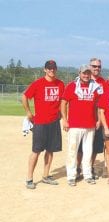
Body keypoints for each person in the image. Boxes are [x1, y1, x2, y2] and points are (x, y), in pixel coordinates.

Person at [22, 60, 65, 189]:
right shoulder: (38, 83)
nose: (52, 70)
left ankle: (46, 176)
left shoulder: (60, 84)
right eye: (49, 68)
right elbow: (25, 96)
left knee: (50, 150)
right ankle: (29, 178)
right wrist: (29, 112)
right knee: (36, 151)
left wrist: (63, 117)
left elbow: (63, 102)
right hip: (40, 122)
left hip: (54, 122)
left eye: (54, 68)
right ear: (45, 69)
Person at [61, 65, 102, 186]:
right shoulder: (72, 86)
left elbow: (98, 105)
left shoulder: (95, 87)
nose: (86, 75)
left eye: (88, 73)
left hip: (90, 125)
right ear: (79, 73)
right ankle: (71, 175)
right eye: (84, 73)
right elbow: (63, 103)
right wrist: (64, 119)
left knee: (88, 151)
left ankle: (87, 174)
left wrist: (98, 120)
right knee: (72, 151)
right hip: (75, 125)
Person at [77, 58, 106, 180]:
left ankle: (90, 167)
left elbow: (102, 102)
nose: (96, 68)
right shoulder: (81, 80)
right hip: (82, 120)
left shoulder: (103, 82)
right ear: (90, 66)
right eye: (94, 66)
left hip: (96, 119)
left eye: (99, 66)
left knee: (94, 146)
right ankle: (78, 167)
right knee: (80, 147)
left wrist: (99, 119)